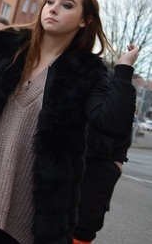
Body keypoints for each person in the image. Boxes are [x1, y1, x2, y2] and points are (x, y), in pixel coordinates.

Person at [0, 0, 138, 244]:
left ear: (84, 20)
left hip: (31, 209)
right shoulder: (5, 47)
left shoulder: (86, 72)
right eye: (50, 1)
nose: (53, 9)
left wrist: (124, 70)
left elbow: (111, 123)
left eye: (66, 5)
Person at [73, 68, 134, 244]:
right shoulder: (72, 70)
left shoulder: (113, 77)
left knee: (84, 227)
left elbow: (125, 123)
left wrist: (117, 162)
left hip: (101, 163)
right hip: (69, 157)